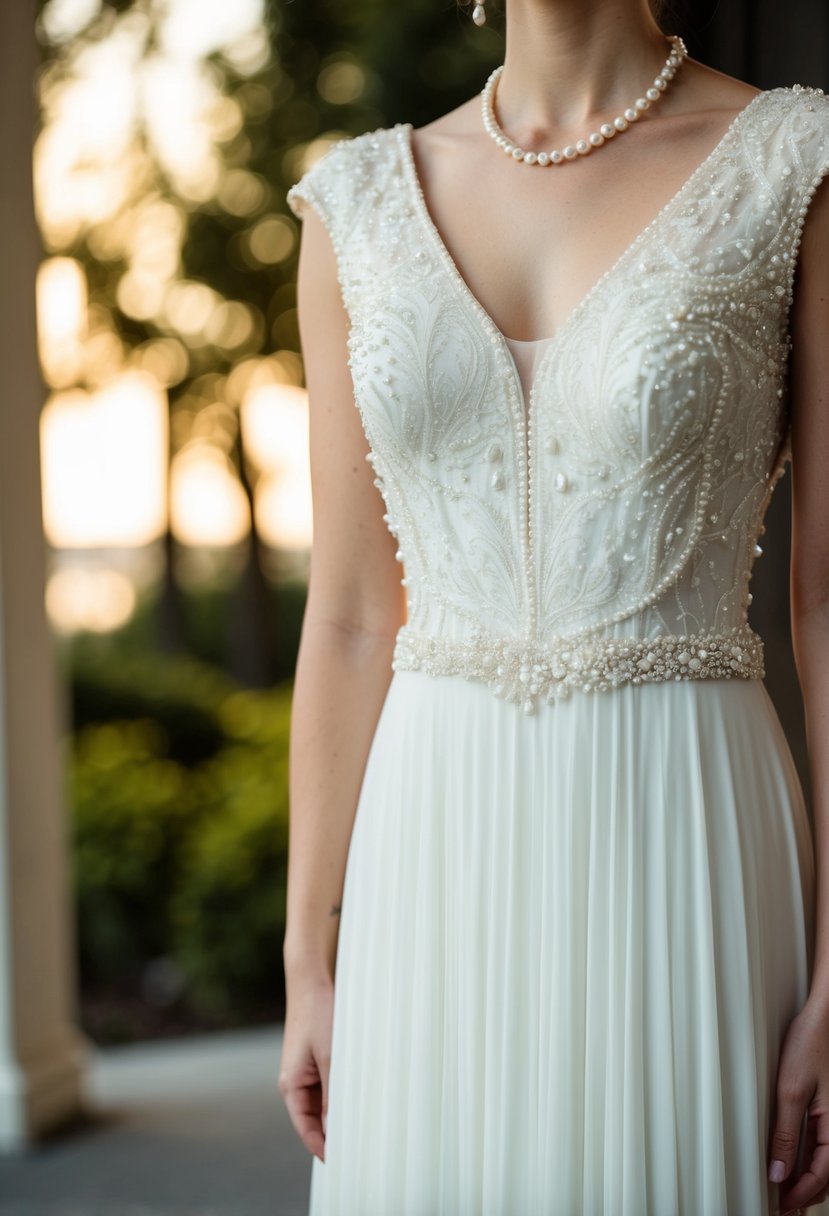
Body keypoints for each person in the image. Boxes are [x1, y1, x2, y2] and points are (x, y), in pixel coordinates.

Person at [278, 0, 829, 1212]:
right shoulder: (356, 204)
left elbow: (826, 600)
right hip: (428, 847)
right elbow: (353, 614)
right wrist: (308, 955)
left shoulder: (795, 161)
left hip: (682, 822)